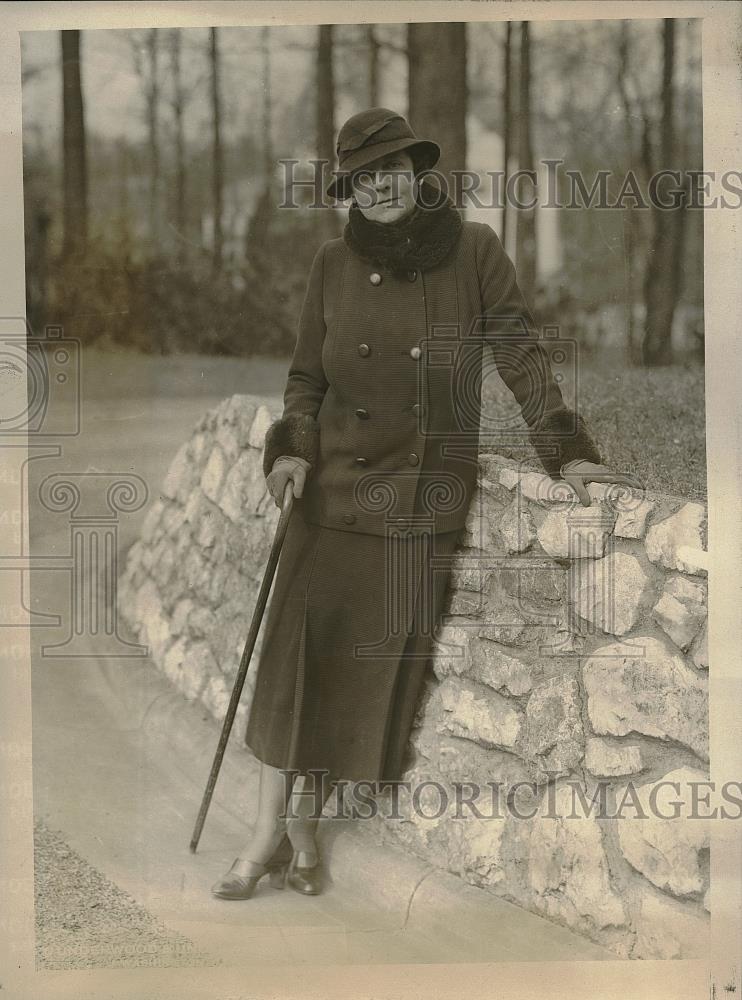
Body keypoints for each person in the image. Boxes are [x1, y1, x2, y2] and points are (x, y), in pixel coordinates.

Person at [211, 108, 633, 901]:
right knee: (291, 664)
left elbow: (519, 353)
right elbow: (307, 379)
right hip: (329, 495)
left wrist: (566, 448)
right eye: (362, 177)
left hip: (416, 500)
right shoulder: (331, 265)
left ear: (417, 170)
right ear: (349, 189)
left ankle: (306, 823)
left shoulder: (474, 251)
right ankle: (265, 832)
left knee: (364, 679)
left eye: (390, 170)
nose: (377, 187)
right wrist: (292, 448)